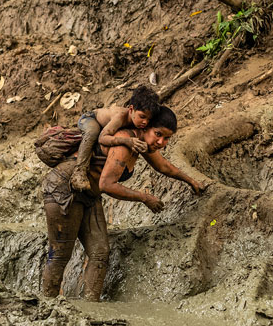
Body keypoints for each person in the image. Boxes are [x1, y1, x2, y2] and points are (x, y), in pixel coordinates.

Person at [41, 106, 204, 301]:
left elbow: (163, 166)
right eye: (158, 134)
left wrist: (192, 181)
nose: (161, 142)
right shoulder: (125, 142)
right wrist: (144, 197)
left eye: (166, 138)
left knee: (100, 253)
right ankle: (46, 307)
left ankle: (89, 309)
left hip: (89, 195)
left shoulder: (142, 143)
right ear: (145, 127)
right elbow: (107, 184)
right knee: (60, 255)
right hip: (64, 188)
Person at [70, 86, 160, 191]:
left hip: (106, 129)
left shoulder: (139, 122)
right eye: (142, 117)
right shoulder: (120, 117)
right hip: (90, 119)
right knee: (92, 132)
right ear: (131, 109)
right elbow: (102, 138)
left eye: (149, 119)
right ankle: (79, 171)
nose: (145, 122)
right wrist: (127, 141)